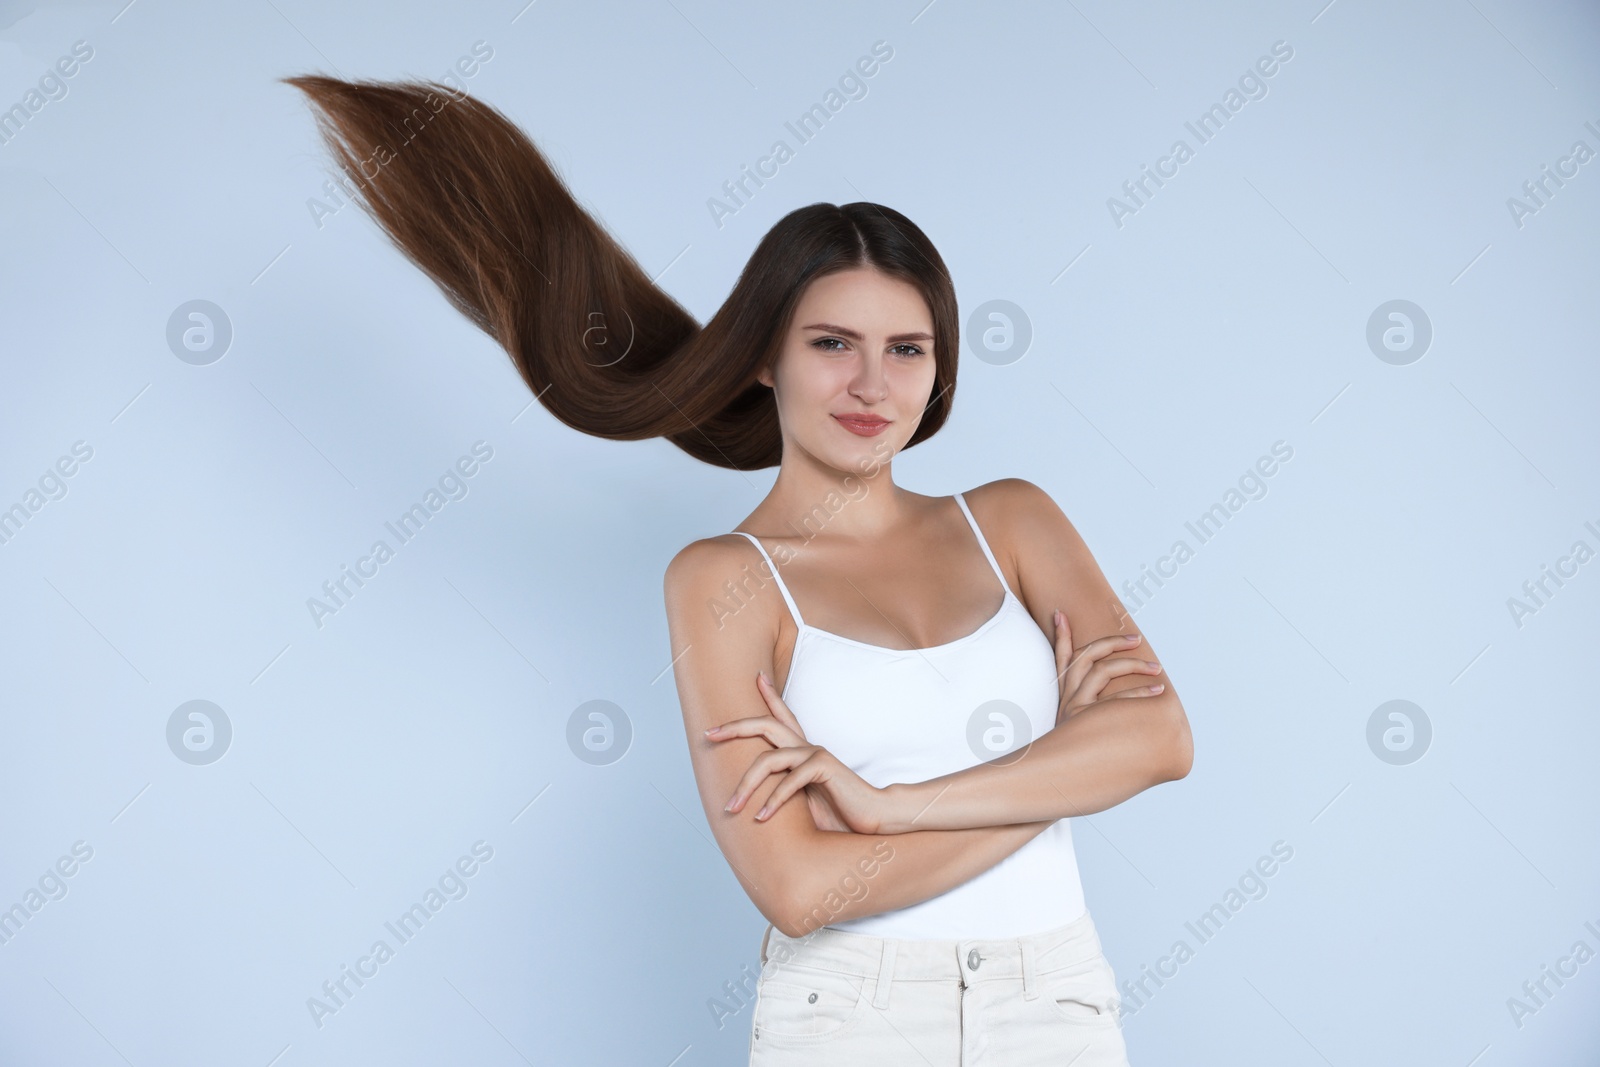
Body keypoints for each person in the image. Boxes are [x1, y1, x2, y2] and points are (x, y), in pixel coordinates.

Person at [285, 74, 1193, 1066]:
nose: (871, 385)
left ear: (940, 370)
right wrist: (1070, 768)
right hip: (854, 1013)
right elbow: (802, 888)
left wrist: (891, 806)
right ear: (765, 356)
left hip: (1050, 995)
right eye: (832, 343)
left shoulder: (1013, 520)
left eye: (906, 349)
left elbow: (1162, 737)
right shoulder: (724, 580)